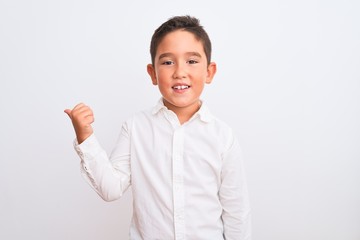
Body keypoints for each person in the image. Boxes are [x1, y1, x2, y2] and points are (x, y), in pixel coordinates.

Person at [65, 15, 251, 240]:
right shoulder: (136, 128)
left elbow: (236, 212)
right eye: (167, 62)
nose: (179, 72)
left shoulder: (223, 136)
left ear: (209, 72)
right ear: (153, 73)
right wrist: (85, 136)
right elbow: (111, 189)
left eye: (191, 61)